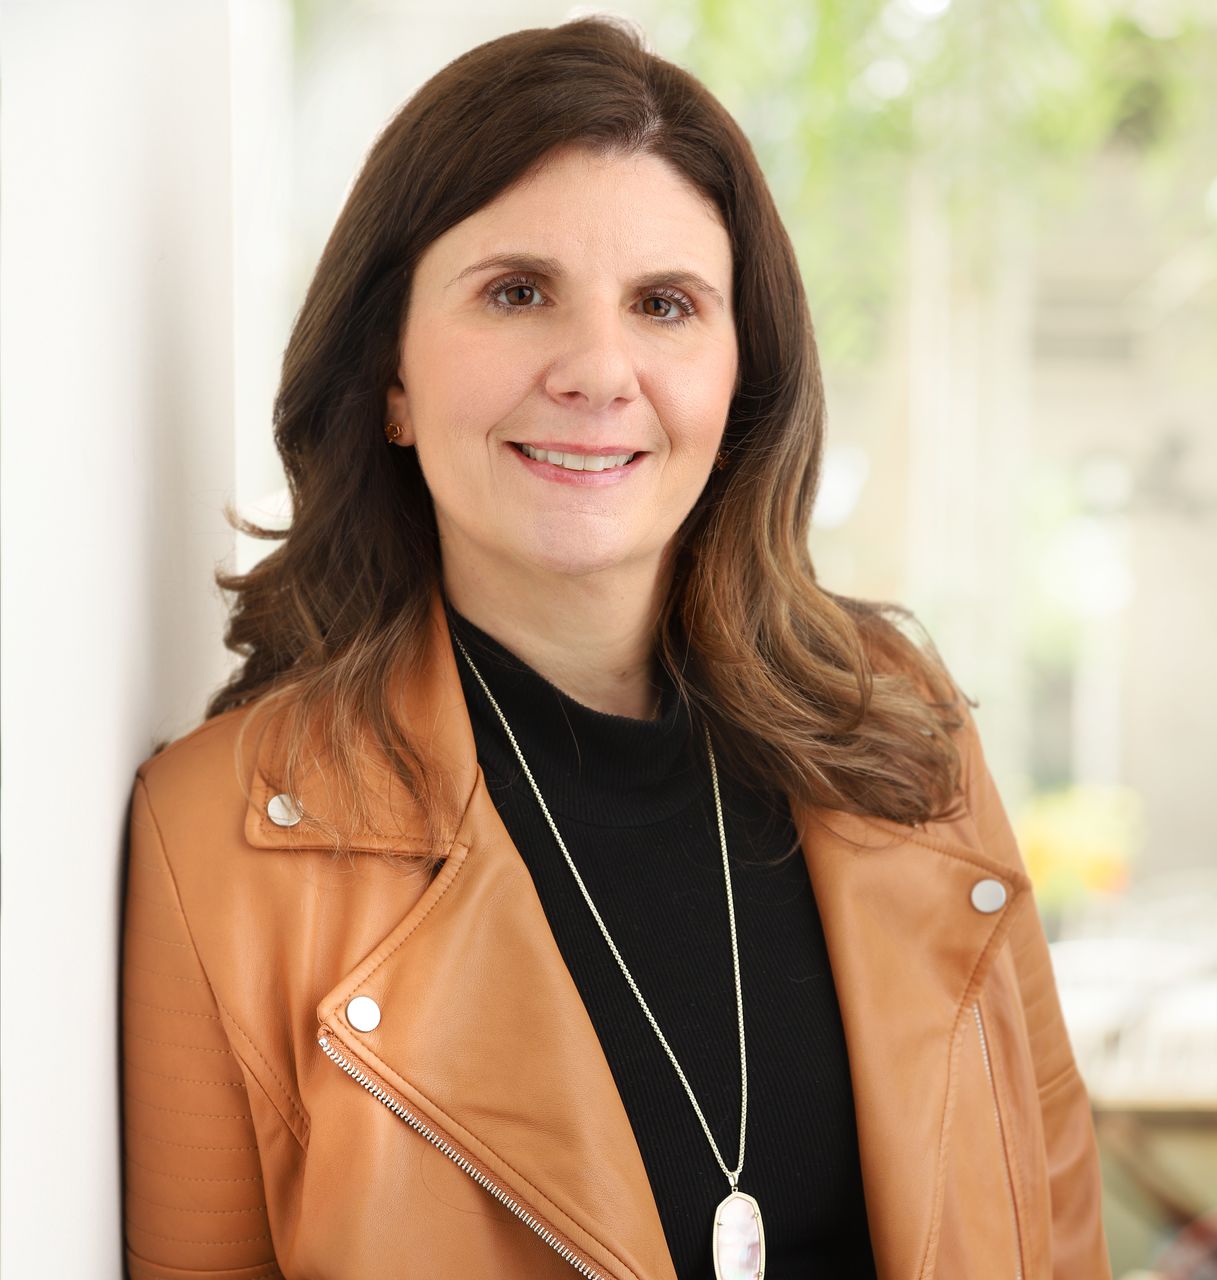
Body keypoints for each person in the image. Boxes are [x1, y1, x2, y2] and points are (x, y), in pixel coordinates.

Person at [118, 16, 1110, 1280]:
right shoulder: (217, 840)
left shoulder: (899, 729)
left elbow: (1055, 1230)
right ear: (390, 375)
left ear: (740, 380)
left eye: (665, 304)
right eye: (517, 292)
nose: (598, 369)